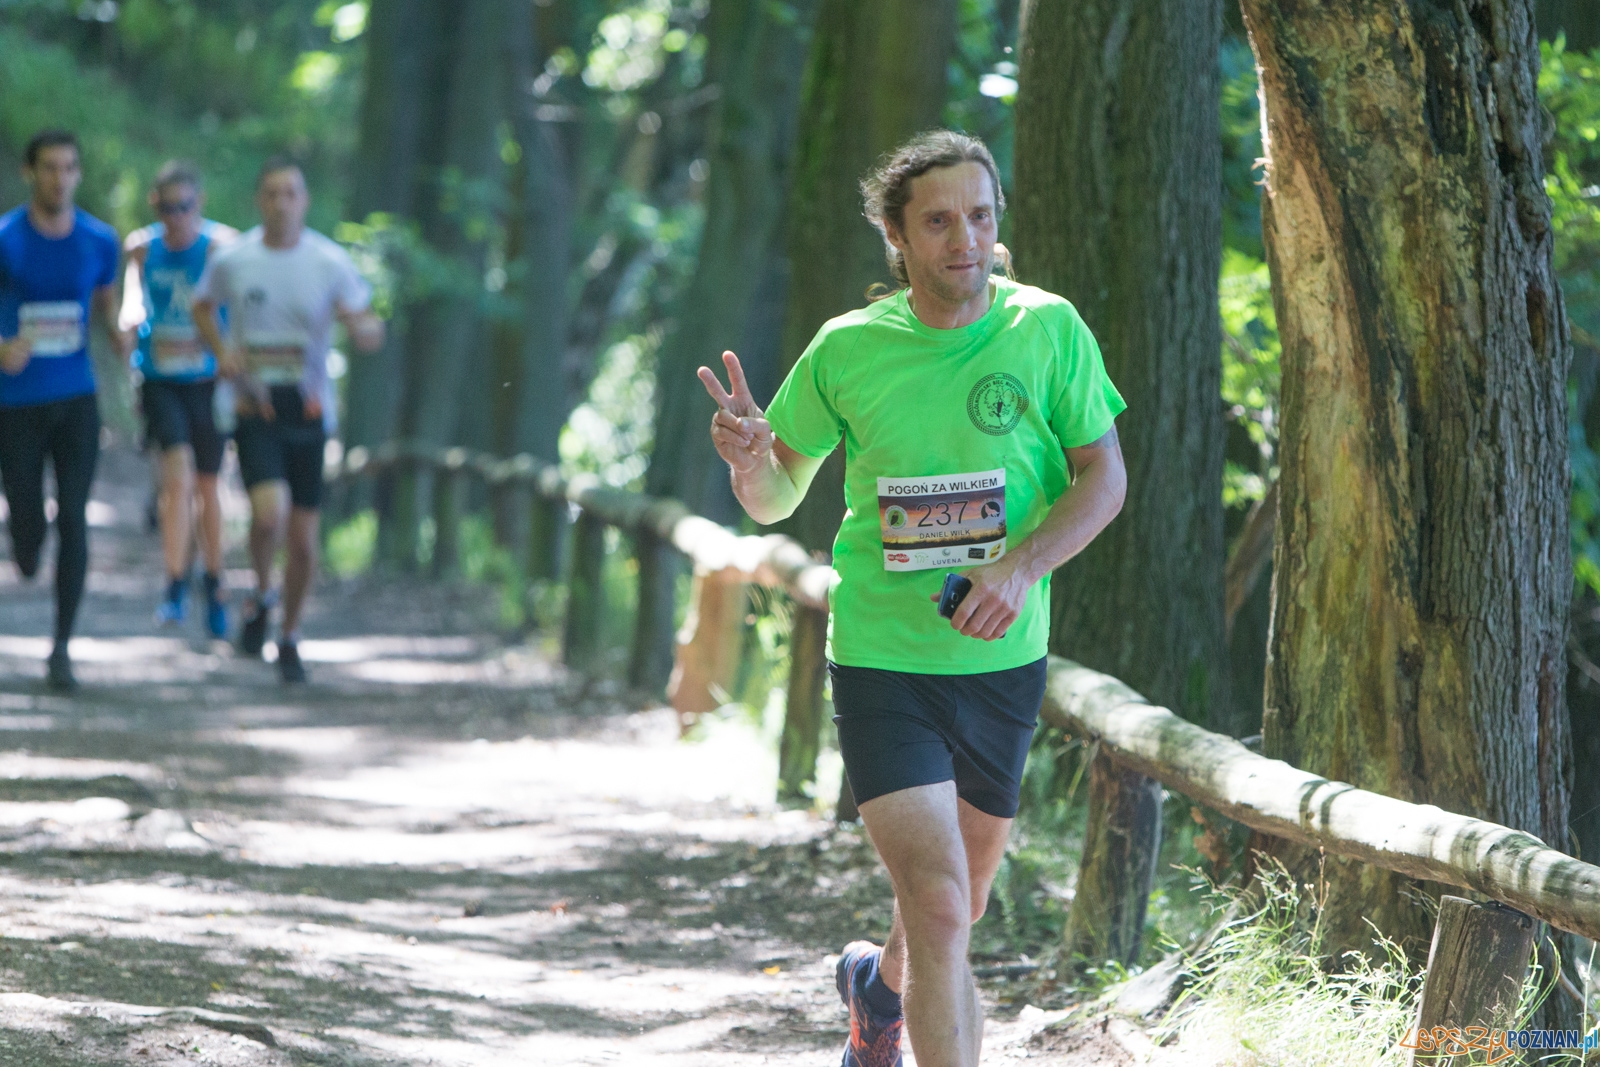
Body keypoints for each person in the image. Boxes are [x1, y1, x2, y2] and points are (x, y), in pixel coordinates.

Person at [698, 131, 1127, 1067]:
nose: (963, 239)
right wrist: (749, 463)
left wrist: (1017, 567)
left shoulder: (1046, 329)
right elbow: (778, 494)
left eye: (979, 216)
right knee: (939, 907)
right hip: (885, 657)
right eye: (938, 221)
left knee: (957, 907)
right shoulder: (848, 350)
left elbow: (1104, 478)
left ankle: (876, 991)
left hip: (1001, 661)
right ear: (897, 235)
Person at [191, 155, 382, 684]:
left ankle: (289, 633)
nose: (281, 203)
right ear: (259, 201)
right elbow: (202, 305)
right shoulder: (235, 258)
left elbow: (363, 317)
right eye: (272, 193)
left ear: (305, 201)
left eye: (291, 193)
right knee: (268, 515)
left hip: (310, 410)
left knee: (302, 540)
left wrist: (365, 329)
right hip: (255, 406)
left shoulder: (328, 261)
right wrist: (222, 354)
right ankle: (260, 587)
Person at [0, 129, 131, 691]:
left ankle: (60, 648)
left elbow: (108, 305)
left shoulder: (100, 241)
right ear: (31, 173)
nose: (60, 177)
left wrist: (121, 332)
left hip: (77, 397)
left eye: (69, 167)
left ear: (78, 174)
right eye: (49, 167)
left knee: (74, 516)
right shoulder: (5, 238)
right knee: (29, 522)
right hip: (16, 402)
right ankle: (23, 541)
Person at [120, 161, 239, 635]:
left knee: (210, 487)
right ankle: (174, 581)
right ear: (156, 206)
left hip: (208, 383)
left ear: (199, 204)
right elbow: (133, 299)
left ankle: (214, 581)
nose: (176, 217)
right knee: (179, 479)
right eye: (167, 208)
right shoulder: (144, 249)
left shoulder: (221, 248)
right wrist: (129, 324)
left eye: (185, 207)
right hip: (160, 381)